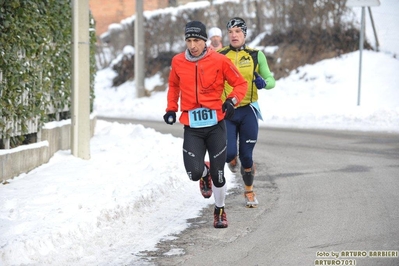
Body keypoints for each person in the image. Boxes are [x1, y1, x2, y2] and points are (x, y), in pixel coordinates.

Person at [163, 21, 247, 228]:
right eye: (189, 41)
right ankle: (203, 174)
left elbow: (240, 83)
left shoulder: (219, 60)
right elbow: (174, 85)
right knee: (193, 172)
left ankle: (219, 210)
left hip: (216, 124)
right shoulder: (178, 61)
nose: (192, 45)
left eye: (197, 41)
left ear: (204, 41)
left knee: (220, 175)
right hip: (192, 126)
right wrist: (171, 108)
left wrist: (232, 101)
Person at [218, 17, 276, 208]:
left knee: (247, 156)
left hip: (248, 110)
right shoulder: (220, 55)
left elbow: (271, 80)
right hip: (228, 111)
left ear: (244, 34)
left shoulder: (255, 55)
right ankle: (231, 158)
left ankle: (249, 191)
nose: (234, 35)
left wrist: (263, 83)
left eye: (238, 31)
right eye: (230, 32)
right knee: (228, 154)